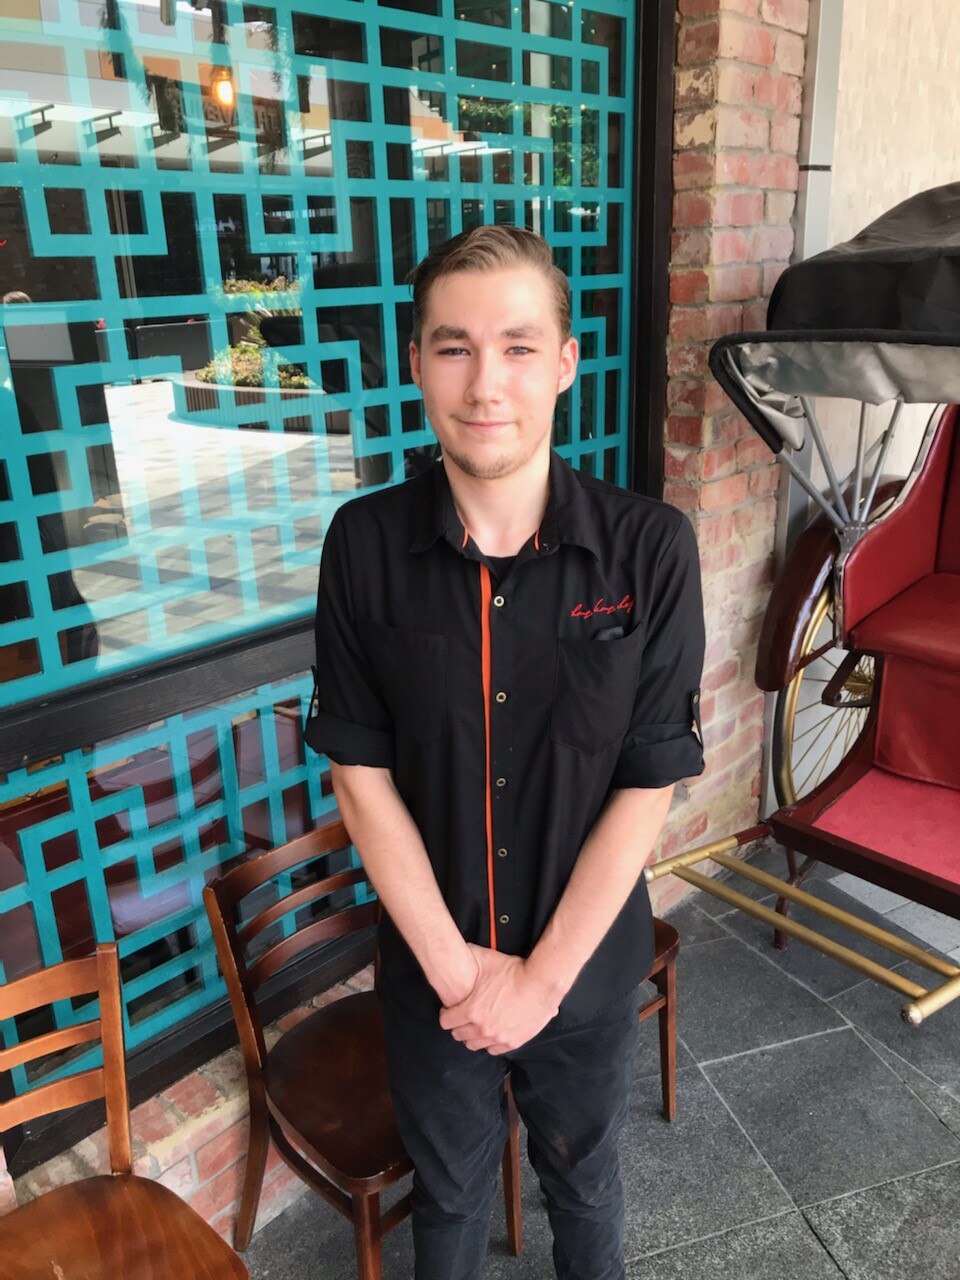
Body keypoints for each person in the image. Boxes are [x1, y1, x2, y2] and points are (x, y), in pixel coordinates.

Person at [304, 224, 706, 1279]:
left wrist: (540, 983)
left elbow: (649, 776)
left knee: (584, 1180)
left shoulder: (649, 548)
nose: (487, 382)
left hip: (584, 969)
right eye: (454, 346)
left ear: (567, 362)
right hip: (431, 972)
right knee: (447, 1195)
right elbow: (360, 772)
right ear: (416, 361)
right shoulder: (362, 544)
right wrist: (457, 970)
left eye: (520, 345)